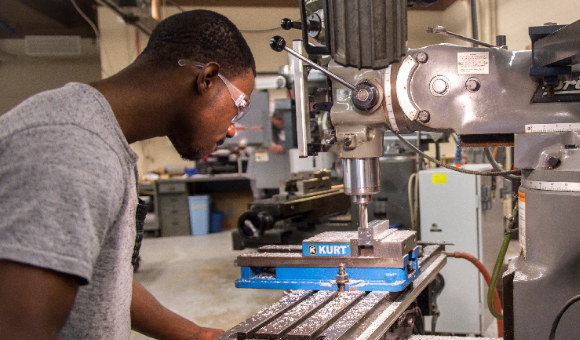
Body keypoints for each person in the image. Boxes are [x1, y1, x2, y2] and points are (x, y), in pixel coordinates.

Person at [0, 9, 255, 340]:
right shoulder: (71, 148)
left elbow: (101, 274)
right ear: (206, 78)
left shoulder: (101, 139)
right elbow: (20, 330)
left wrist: (194, 334)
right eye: (239, 105)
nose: (234, 129)